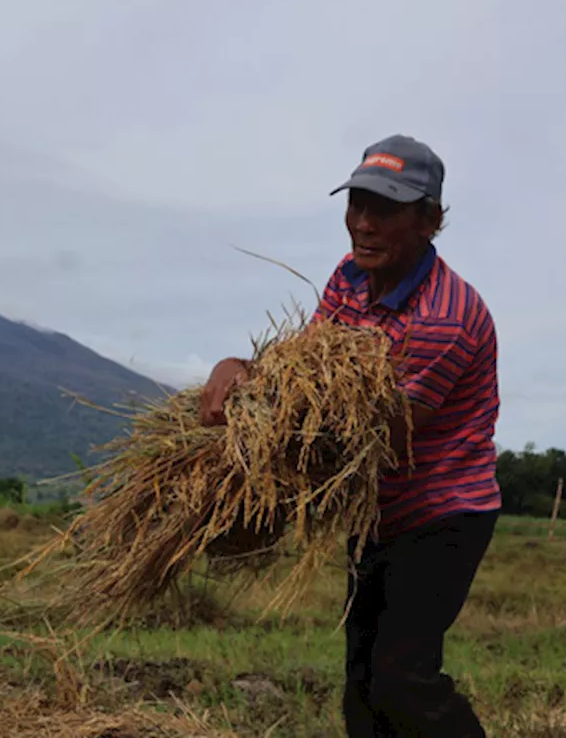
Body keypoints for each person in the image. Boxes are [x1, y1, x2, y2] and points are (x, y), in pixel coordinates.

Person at [198, 134, 501, 737]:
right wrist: (244, 370)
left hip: (442, 513)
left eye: (384, 210)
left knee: (403, 679)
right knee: (362, 687)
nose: (362, 224)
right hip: (377, 514)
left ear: (430, 221)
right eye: (356, 204)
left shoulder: (444, 317)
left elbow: (383, 435)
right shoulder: (352, 276)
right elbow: (308, 366)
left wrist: (270, 445)